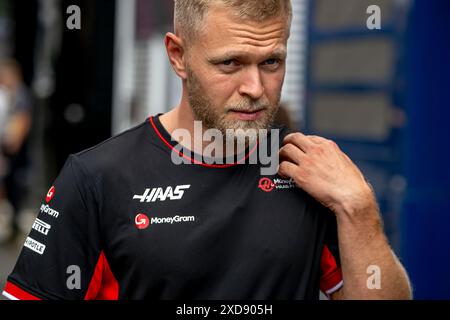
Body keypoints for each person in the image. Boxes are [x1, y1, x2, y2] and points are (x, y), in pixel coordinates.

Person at [2, 0, 411, 300]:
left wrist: (359, 208)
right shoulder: (96, 178)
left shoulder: (308, 173)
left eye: (271, 63)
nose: (255, 88)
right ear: (178, 56)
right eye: (230, 63)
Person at [0, 59, 33, 243]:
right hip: (7, 152)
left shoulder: (20, 94)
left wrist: (13, 141)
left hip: (15, 154)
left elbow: (22, 121)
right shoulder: (6, 94)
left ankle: (14, 227)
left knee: (16, 189)